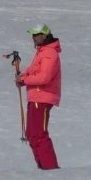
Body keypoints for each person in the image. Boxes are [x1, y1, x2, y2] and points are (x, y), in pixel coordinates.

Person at [16, 23, 61, 170]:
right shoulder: (42, 53)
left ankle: (50, 169)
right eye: (33, 35)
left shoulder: (49, 53)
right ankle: (43, 168)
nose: (35, 38)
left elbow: (44, 78)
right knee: (32, 134)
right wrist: (22, 77)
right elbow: (33, 71)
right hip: (36, 98)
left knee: (38, 135)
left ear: (45, 35)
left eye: (38, 35)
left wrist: (24, 80)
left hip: (42, 98)